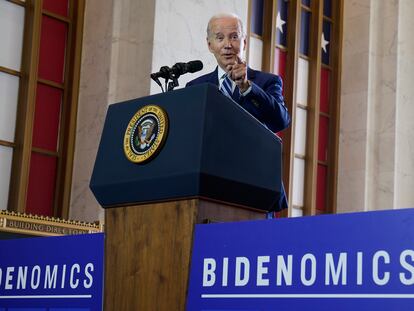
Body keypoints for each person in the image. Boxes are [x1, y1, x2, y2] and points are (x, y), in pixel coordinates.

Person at [186, 13, 291, 212]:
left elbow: (281, 120)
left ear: (243, 42)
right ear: (209, 45)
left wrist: (247, 87)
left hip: (256, 189)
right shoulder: (195, 87)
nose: (227, 44)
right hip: (209, 188)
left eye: (234, 37)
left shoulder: (267, 82)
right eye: (220, 37)